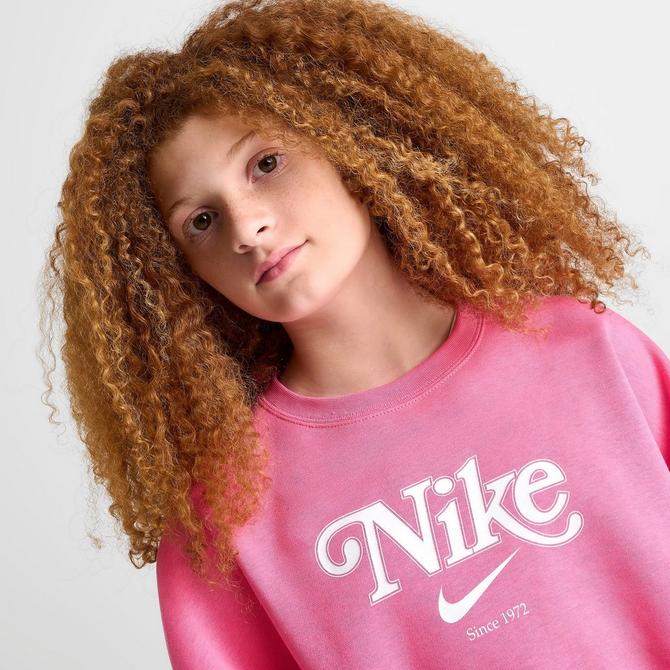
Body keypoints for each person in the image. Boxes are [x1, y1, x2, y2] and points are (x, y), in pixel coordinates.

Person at [38, 0, 670, 668]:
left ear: (350, 142)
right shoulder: (226, 508)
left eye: (266, 164)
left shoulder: (582, 349)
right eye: (200, 220)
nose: (247, 227)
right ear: (178, 272)